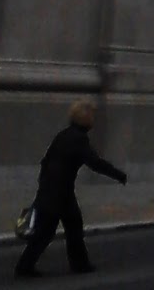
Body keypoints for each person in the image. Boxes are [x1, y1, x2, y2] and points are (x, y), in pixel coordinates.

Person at [15, 99, 127, 277]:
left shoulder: (64, 135)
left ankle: (75, 264)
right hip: (59, 192)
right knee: (53, 230)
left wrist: (44, 183)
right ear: (86, 118)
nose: (94, 120)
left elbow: (46, 161)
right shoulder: (78, 139)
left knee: (67, 227)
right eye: (92, 116)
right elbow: (95, 163)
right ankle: (27, 267)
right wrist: (118, 175)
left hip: (54, 188)